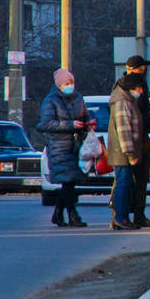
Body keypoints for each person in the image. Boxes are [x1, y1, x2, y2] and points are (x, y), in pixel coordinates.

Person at [37, 68, 92, 228]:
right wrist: (70, 124)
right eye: (67, 83)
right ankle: (73, 215)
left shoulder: (78, 98)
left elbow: (86, 115)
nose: (70, 86)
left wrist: (89, 123)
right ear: (59, 85)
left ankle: (58, 214)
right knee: (68, 181)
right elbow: (47, 123)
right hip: (59, 146)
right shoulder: (50, 100)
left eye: (72, 82)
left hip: (76, 145)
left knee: (70, 181)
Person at [108, 73, 147, 230]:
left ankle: (122, 218)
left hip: (123, 152)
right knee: (123, 184)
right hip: (123, 153)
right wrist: (130, 154)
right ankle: (121, 218)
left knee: (124, 183)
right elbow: (124, 132)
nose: (141, 91)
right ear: (131, 87)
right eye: (139, 88)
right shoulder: (123, 103)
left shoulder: (127, 101)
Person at [122, 55, 150, 228]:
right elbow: (134, 119)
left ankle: (139, 215)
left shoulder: (140, 87)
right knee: (125, 181)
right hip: (132, 142)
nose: (144, 72)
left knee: (142, 180)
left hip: (143, 141)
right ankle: (121, 215)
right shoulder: (125, 89)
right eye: (142, 69)